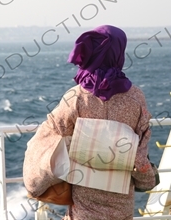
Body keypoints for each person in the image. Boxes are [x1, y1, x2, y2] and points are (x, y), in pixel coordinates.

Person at [23, 25, 157, 220]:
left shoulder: (77, 97)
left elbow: (50, 136)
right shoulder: (135, 98)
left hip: (84, 196)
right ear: (119, 52)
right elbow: (141, 146)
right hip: (121, 197)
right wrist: (146, 177)